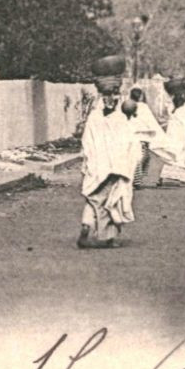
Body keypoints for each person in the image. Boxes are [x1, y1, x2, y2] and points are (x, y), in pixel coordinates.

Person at [79, 76, 136, 248]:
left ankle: (86, 225)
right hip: (115, 167)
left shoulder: (94, 117)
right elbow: (128, 144)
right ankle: (107, 238)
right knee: (111, 201)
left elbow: (86, 142)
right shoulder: (120, 119)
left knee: (92, 199)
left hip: (96, 166)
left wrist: (89, 162)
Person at [163, 77, 185, 184]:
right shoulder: (176, 104)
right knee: (173, 154)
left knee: (181, 155)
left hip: (181, 134)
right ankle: (170, 176)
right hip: (174, 134)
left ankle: (178, 177)